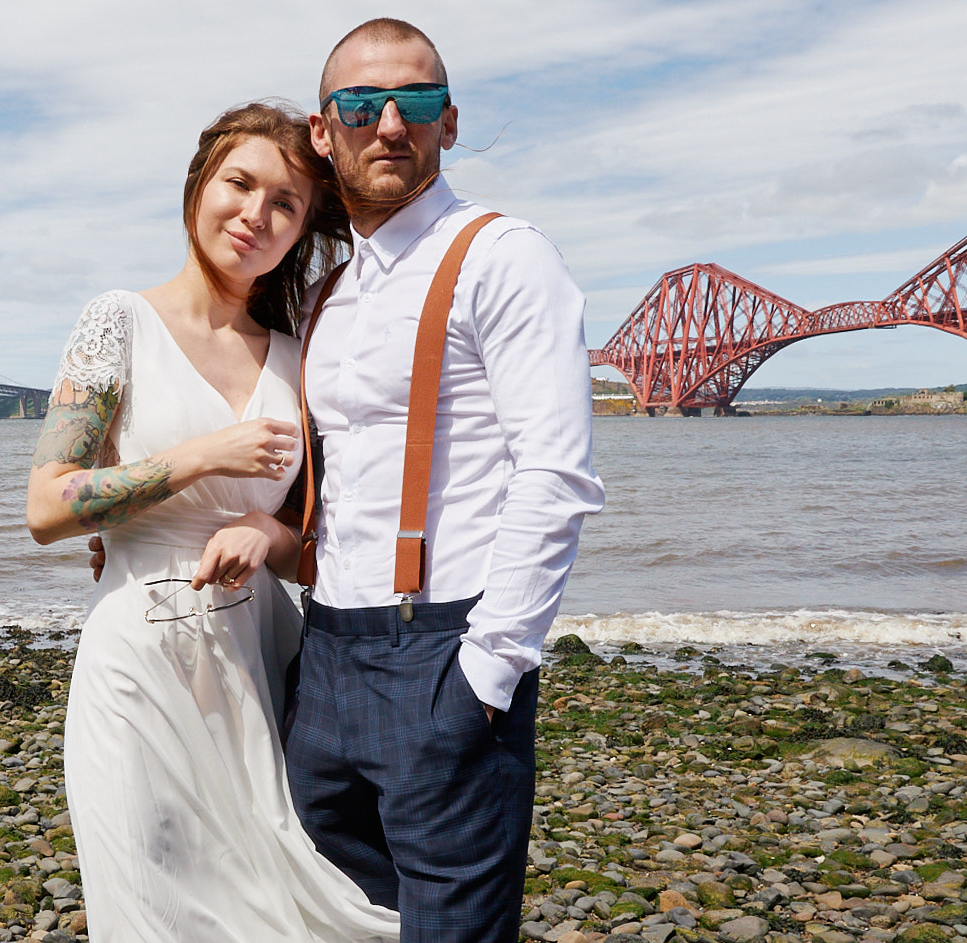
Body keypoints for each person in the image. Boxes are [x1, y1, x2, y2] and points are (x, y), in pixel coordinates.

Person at [25, 102, 398, 942]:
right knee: (151, 908)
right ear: (200, 184)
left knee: (289, 903)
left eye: (285, 204)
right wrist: (200, 456)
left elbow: (321, 543)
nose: (255, 215)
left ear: (302, 227)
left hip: (264, 667)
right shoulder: (118, 321)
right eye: (240, 183)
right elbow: (47, 506)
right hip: (137, 670)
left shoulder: (304, 350)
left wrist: (268, 538)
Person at [283, 18, 605, 943]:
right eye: (360, 103)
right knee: (343, 921)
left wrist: (487, 673)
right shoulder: (329, 292)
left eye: (415, 102)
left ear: (448, 123)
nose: (389, 123)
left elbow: (555, 474)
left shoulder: (503, 255)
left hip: (444, 647)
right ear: (323, 129)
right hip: (326, 658)